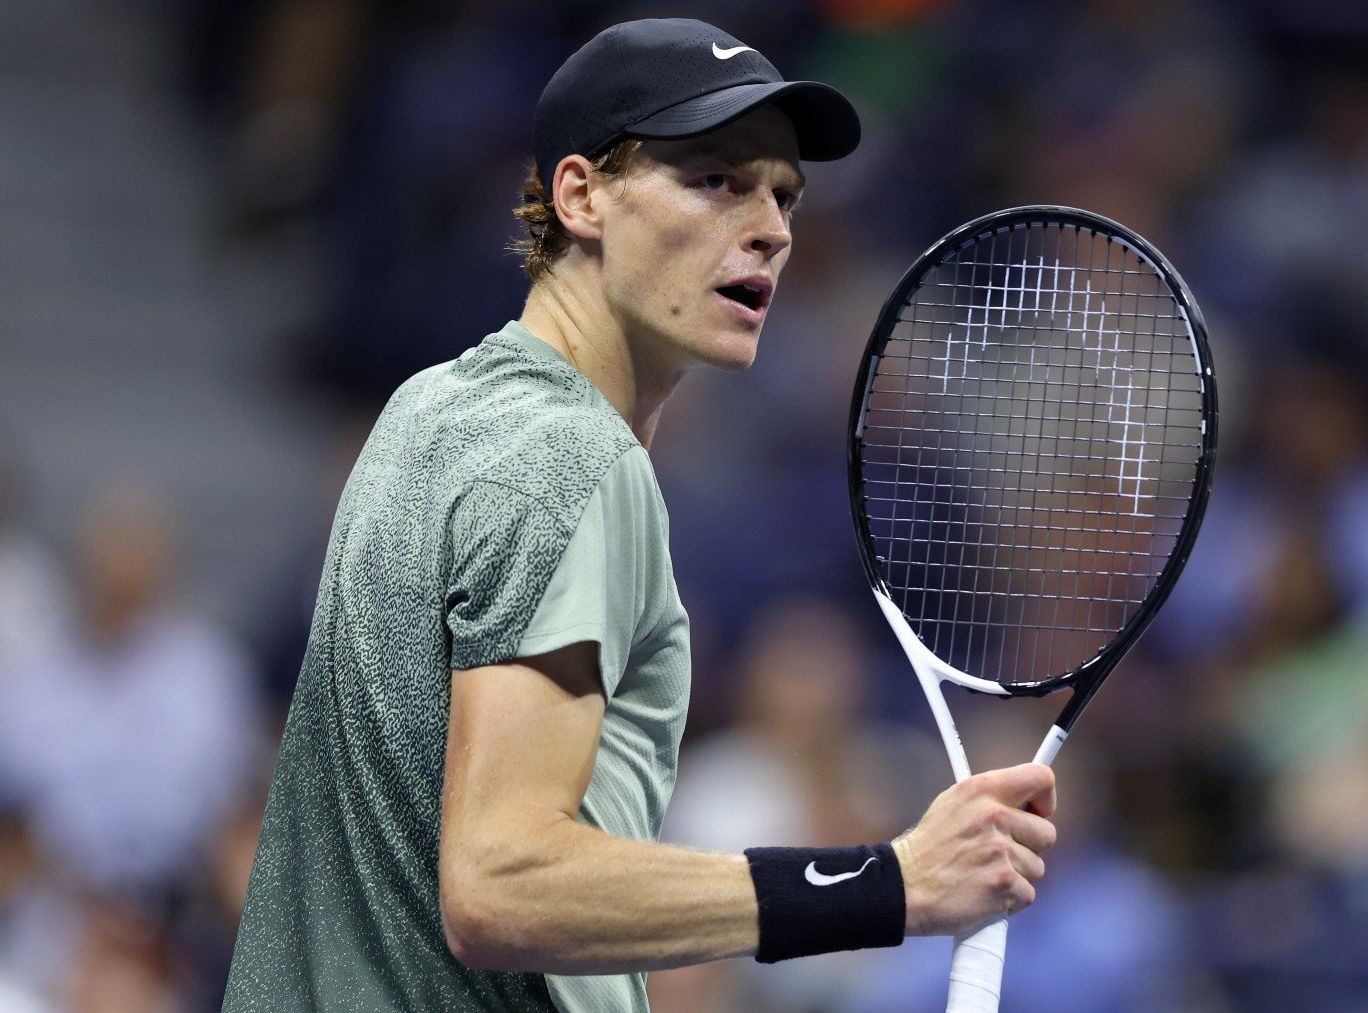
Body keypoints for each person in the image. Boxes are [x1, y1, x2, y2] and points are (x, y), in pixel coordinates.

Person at [222, 19, 1057, 1013]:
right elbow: (501, 883)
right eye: (715, 180)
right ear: (580, 195)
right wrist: (889, 882)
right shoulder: (573, 455)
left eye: (782, 194)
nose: (771, 227)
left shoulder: (430, 408)